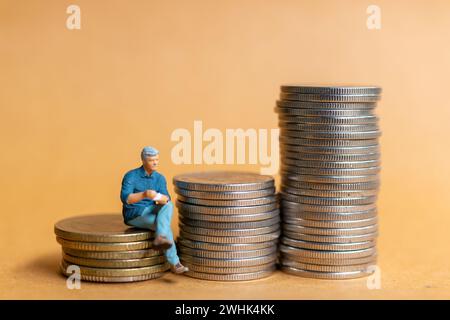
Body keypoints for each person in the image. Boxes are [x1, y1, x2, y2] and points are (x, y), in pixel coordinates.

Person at [120, 146, 188, 274]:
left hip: (152, 208)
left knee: (168, 205)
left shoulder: (160, 178)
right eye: (152, 160)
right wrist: (145, 194)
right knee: (163, 225)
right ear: (144, 160)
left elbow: (166, 197)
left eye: (157, 159)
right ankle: (175, 262)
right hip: (135, 213)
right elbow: (126, 199)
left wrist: (161, 198)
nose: (155, 162)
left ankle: (161, 237)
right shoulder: (131, 176)